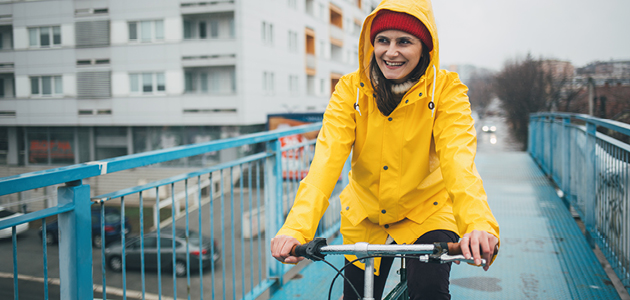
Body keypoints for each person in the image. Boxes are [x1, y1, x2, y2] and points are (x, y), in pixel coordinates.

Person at [271, 0, 500, 299]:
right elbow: (325, 163)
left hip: (426, 212)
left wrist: (478, 224)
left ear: (425, 48)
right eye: (382, 40)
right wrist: (296, 229)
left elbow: (459, 162)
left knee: (429, 290)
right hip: (366, 215)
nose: (390, 52)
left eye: (404, 41)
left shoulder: (446, 91)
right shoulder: (350, 90)